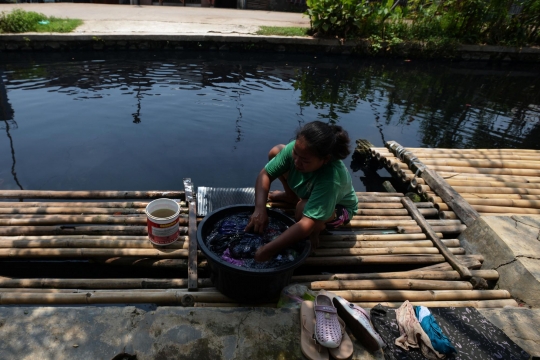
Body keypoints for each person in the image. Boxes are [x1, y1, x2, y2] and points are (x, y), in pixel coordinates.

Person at [245, 121, 358, 262]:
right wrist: (260, 209)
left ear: (325, 159)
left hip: (338, 208)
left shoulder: (331, 178)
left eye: (304, 160)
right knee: (276, 152)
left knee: (302, 209)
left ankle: (319, 227)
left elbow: (306, 224)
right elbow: (265, 174)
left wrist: (267, 250)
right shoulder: (297, 149)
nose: (297, 162)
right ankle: (290, 196)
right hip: (311, 191)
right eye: (295, 154)